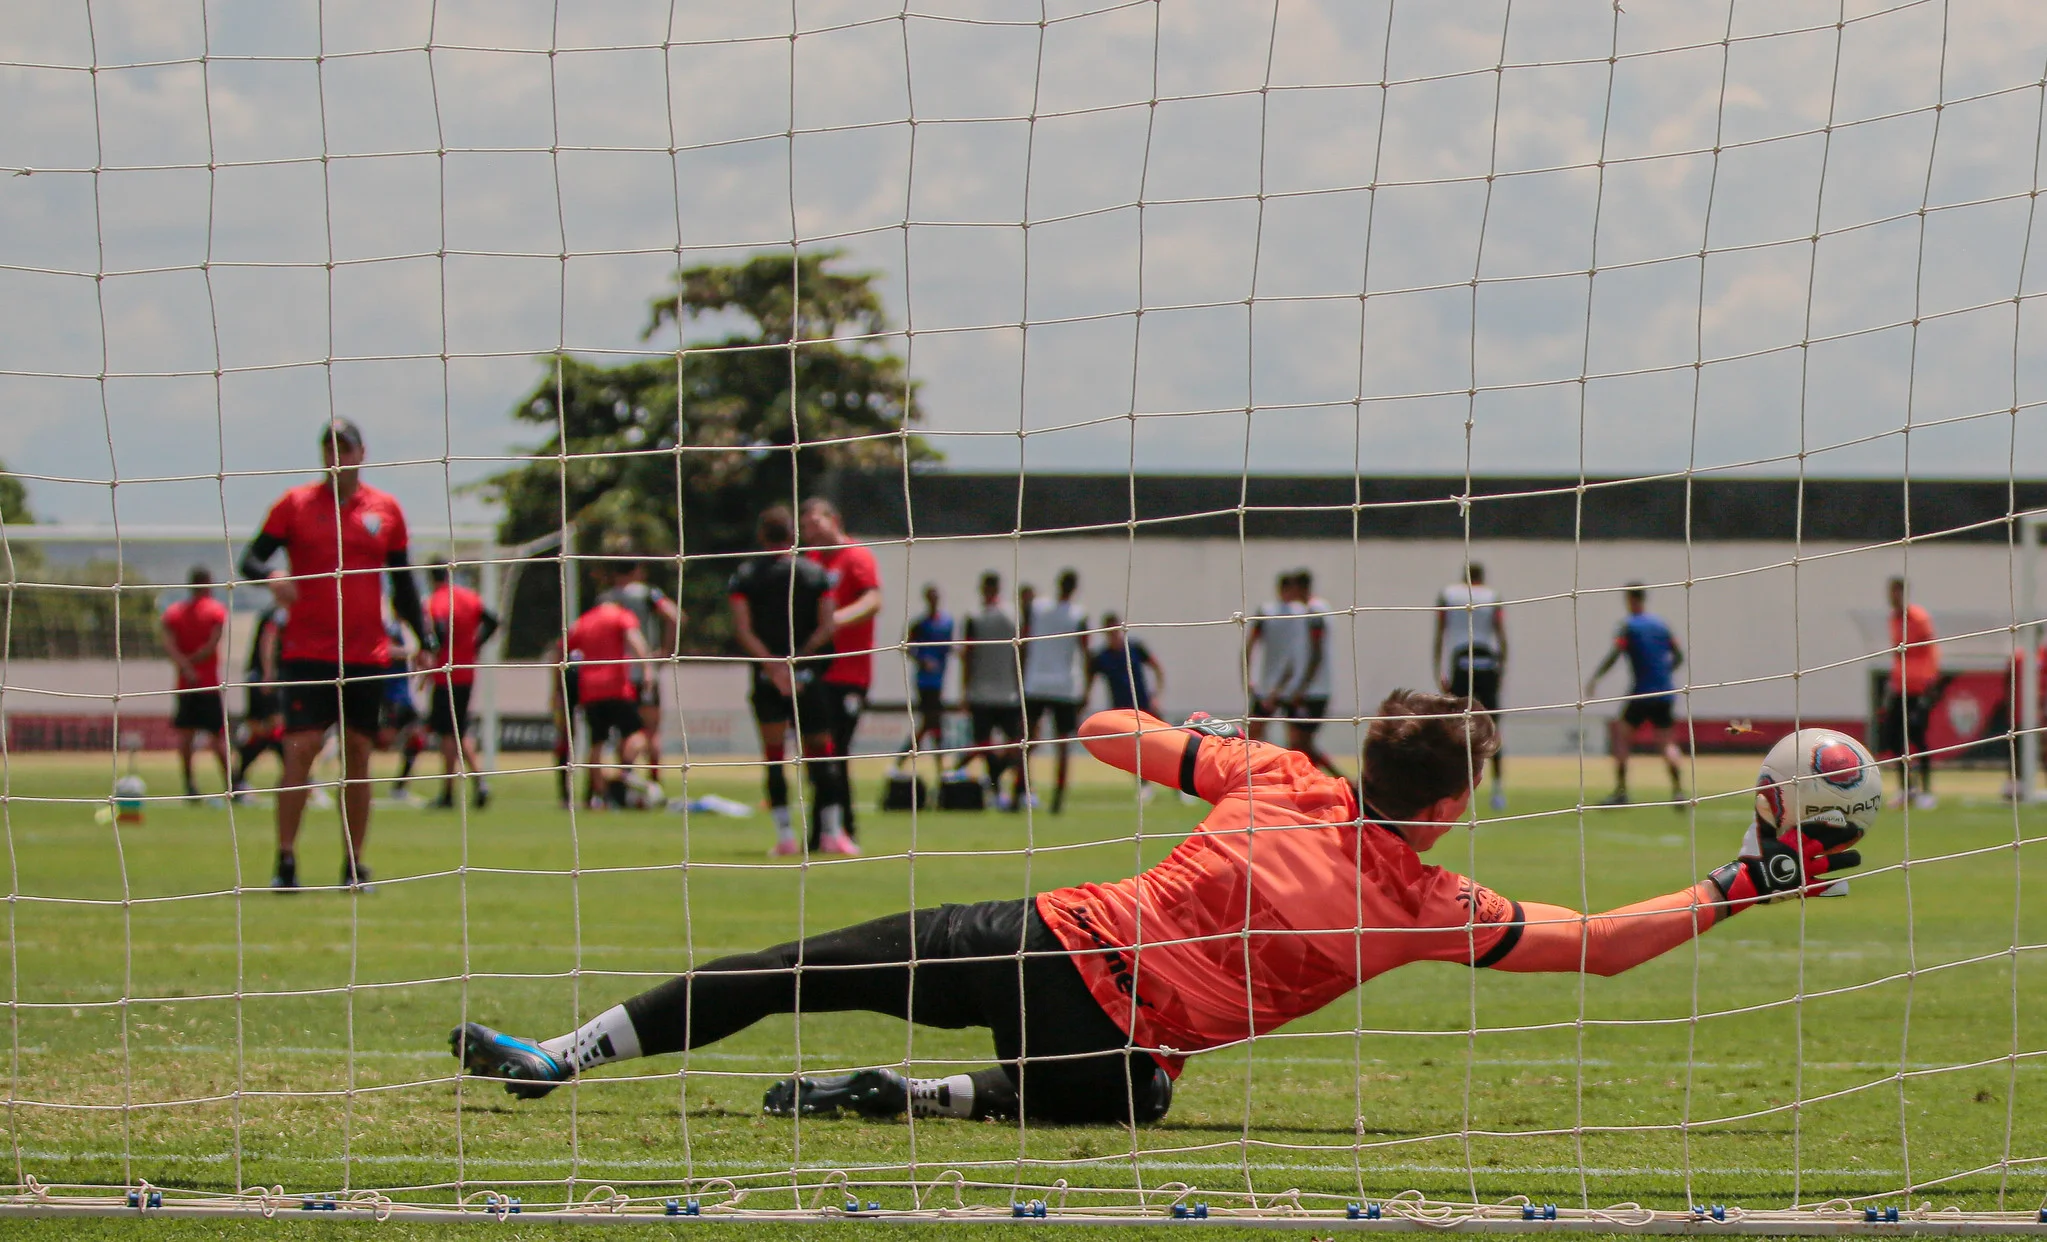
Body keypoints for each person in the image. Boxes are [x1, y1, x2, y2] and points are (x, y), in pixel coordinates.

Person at [448, 690, 1866, 1124]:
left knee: (785, 963)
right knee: (1135, 1100)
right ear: (1443, 802)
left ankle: (566, 1055)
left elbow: (1100, 732)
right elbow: (1602, 951)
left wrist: (1193, 734)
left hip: (1029, 943)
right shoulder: (1427, 902)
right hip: (1106, 1044)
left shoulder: (1278, 780)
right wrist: (1737, 882)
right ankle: (913, 1096)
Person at [238, 419, 435, 892]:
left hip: (367, 655)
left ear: (361, 452)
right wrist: (269, 577)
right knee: (299, 750)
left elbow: (405, 582)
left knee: (360, 753)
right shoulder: (295, 505)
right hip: (307, 652)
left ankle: (354, 864)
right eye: (329, 448)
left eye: (344, 448)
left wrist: (426, 641)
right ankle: (285, 861)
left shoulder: (385, 510)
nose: (337, 456)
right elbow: (251, 557)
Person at [728, 506, 849, 855]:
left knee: (774, 756)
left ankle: (784, 836)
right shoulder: (816, 574)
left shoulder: (745, 576)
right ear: (794, 537)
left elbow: (742, 628)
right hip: (809, 675)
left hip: (768, 679)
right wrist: (797, 663)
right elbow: (828, 625)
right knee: (821, 754)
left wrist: (773, 667)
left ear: (762, 537)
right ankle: (831, 832)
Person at [802, 499, 883, 846]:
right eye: (805, 527)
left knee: (837, 750)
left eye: (815, 522)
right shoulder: (809, 562)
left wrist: (831, 622)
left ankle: (839, 829)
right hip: (816, 671)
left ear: (834, 519)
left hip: (849, 672)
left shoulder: (856, 556)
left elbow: (872, 601)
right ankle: (825, 831)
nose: (811, 531)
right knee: (819, 753)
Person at [596, 545, 685, 802]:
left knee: (625, 733)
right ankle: (654, 784)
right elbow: (675, 616)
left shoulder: (605, 599)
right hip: (645, 672)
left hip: (616, 676)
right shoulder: (648, 594)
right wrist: (667, 650)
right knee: (651, 732)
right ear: (638, 569)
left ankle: (625, 783)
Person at [1585, 583, 1685, 807]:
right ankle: (1678, 791)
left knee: (1621, 735)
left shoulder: (1628, 626)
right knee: (1666, 742)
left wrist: (1596, 678)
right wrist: (1663, 674)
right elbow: (1679, 657)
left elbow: (1615, 654)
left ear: (1630, 600)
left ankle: (1621, 791)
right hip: (1665, 691)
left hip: (1642, 692)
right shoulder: (1662, 625)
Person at [560, 597, 650, 809]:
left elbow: (563, 649)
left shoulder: (584, 621)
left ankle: (600, 796)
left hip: (590, 690)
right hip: (617, 687)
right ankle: (624, 773)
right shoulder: (621, 616)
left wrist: (558, 686)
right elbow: (635, 639)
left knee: (597, 743)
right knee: (637, 735)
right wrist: (647, 668)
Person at [426, 565, 502, 810]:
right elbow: (492, 621)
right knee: (456, 732)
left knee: (449, 735)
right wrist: (475, 644)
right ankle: (476, 783)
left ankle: (454, 789)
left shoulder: (436, 601)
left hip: (445, 673)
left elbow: (438, 630)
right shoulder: (468, 597)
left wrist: (435, 650)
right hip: (467, 672)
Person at [1433, 562, 1508, 810]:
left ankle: (1453, 787)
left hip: (1461, 662)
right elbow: (1501, 636)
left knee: (1456, 727)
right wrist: (1502, 672)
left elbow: (1440, 633)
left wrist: (1438, 669)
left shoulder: (1449, 595)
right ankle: (1497, 789)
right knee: (1492, 726)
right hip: (1487, 662)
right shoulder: (1492, 595)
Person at [159, 567, 232, 798]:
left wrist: (185, 666)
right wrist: (193, 664)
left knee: (186, 737)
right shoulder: (215, 611)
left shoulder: (174, 612)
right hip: (208, 683)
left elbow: (169, 645)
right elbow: (212, 644)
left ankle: (189, 784)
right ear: (208, 583)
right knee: (217, 736)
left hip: (186, 683)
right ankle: (231, 783)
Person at [956, 571, 1027, 810]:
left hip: (982, 693)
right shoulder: (1012, 616)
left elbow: (968, 656)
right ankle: (1014, 791)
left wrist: (964, 690)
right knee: (1014, 745)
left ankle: (998, 786)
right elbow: (1022, 653)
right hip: (1008, 693)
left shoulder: (974, 617)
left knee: (985, 745)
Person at [1022, 568, 1090, 814]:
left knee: (1028, 741)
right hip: (1065, 687)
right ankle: (1058, 798)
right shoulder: (1078, 615)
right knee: (1062, 745)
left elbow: (1023, 642)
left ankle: (1021, 791)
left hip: (1035, 683)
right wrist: (1087, 689)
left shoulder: (1038, 608)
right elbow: (1085, 653)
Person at [1880, 576, 1942, 809]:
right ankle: (1907, 789)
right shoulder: (1893, 620)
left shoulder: (1918, 618)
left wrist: (1931, 684)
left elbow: (1931, 650)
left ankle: (1927, 791)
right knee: (1895, 739)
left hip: (1919, 688)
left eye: (1896, 591)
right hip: (1900, 687)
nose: (1892, 596)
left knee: (1918, 737)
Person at [1284, 569, 1340, 777]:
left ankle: (1341, 780)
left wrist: (1302, 687)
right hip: (1309, 688)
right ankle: (1315, 783)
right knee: (1299, 744)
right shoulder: (1309, 610)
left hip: (1313, 691)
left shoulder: (1315, 611)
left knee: (1300, 742)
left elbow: (1316, 653)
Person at [231, 595, 288, 798]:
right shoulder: (279, 613)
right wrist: (268, 674)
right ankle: (298, 780)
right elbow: (269, 639)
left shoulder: (272, 611)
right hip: (265, 680)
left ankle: (238, 780)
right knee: (274, 729)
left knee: (266, 732)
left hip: (257, 678)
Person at [897, 583, 954, 781]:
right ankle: (939, 768)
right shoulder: (920, 624)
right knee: (933, 722)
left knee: (930, 724)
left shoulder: (947, 623)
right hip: (925, 682)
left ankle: (903, 759)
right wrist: (922, 660)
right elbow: (906, 646)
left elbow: (949, 646)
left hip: (939, 680)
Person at [1243, 573, 1304, 744]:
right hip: (1268, 684)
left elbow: (1300, 652)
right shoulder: (1267, 611)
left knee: (1298, 741)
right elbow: (1251, 644)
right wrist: (1248, 676)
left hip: (1292, 684)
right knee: (1254, 732)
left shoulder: (1302, 613)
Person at [379, 615, 428, 803]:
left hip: (406, 697)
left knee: (417, 739)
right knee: (381, 742)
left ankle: (399, 787)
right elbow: (382, 650)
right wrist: (410, 652)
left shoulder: (407, 629)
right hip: (389, 695)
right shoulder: (388, 627)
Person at [1090, 614, 1164, 716]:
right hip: (1120, 709)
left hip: (1143, 705)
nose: (1114, 635)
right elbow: (1090, 683)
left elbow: (1157, 667)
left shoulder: (1135, 648)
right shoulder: (1102, 657)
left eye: (1115, 630)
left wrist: (1155, 696)